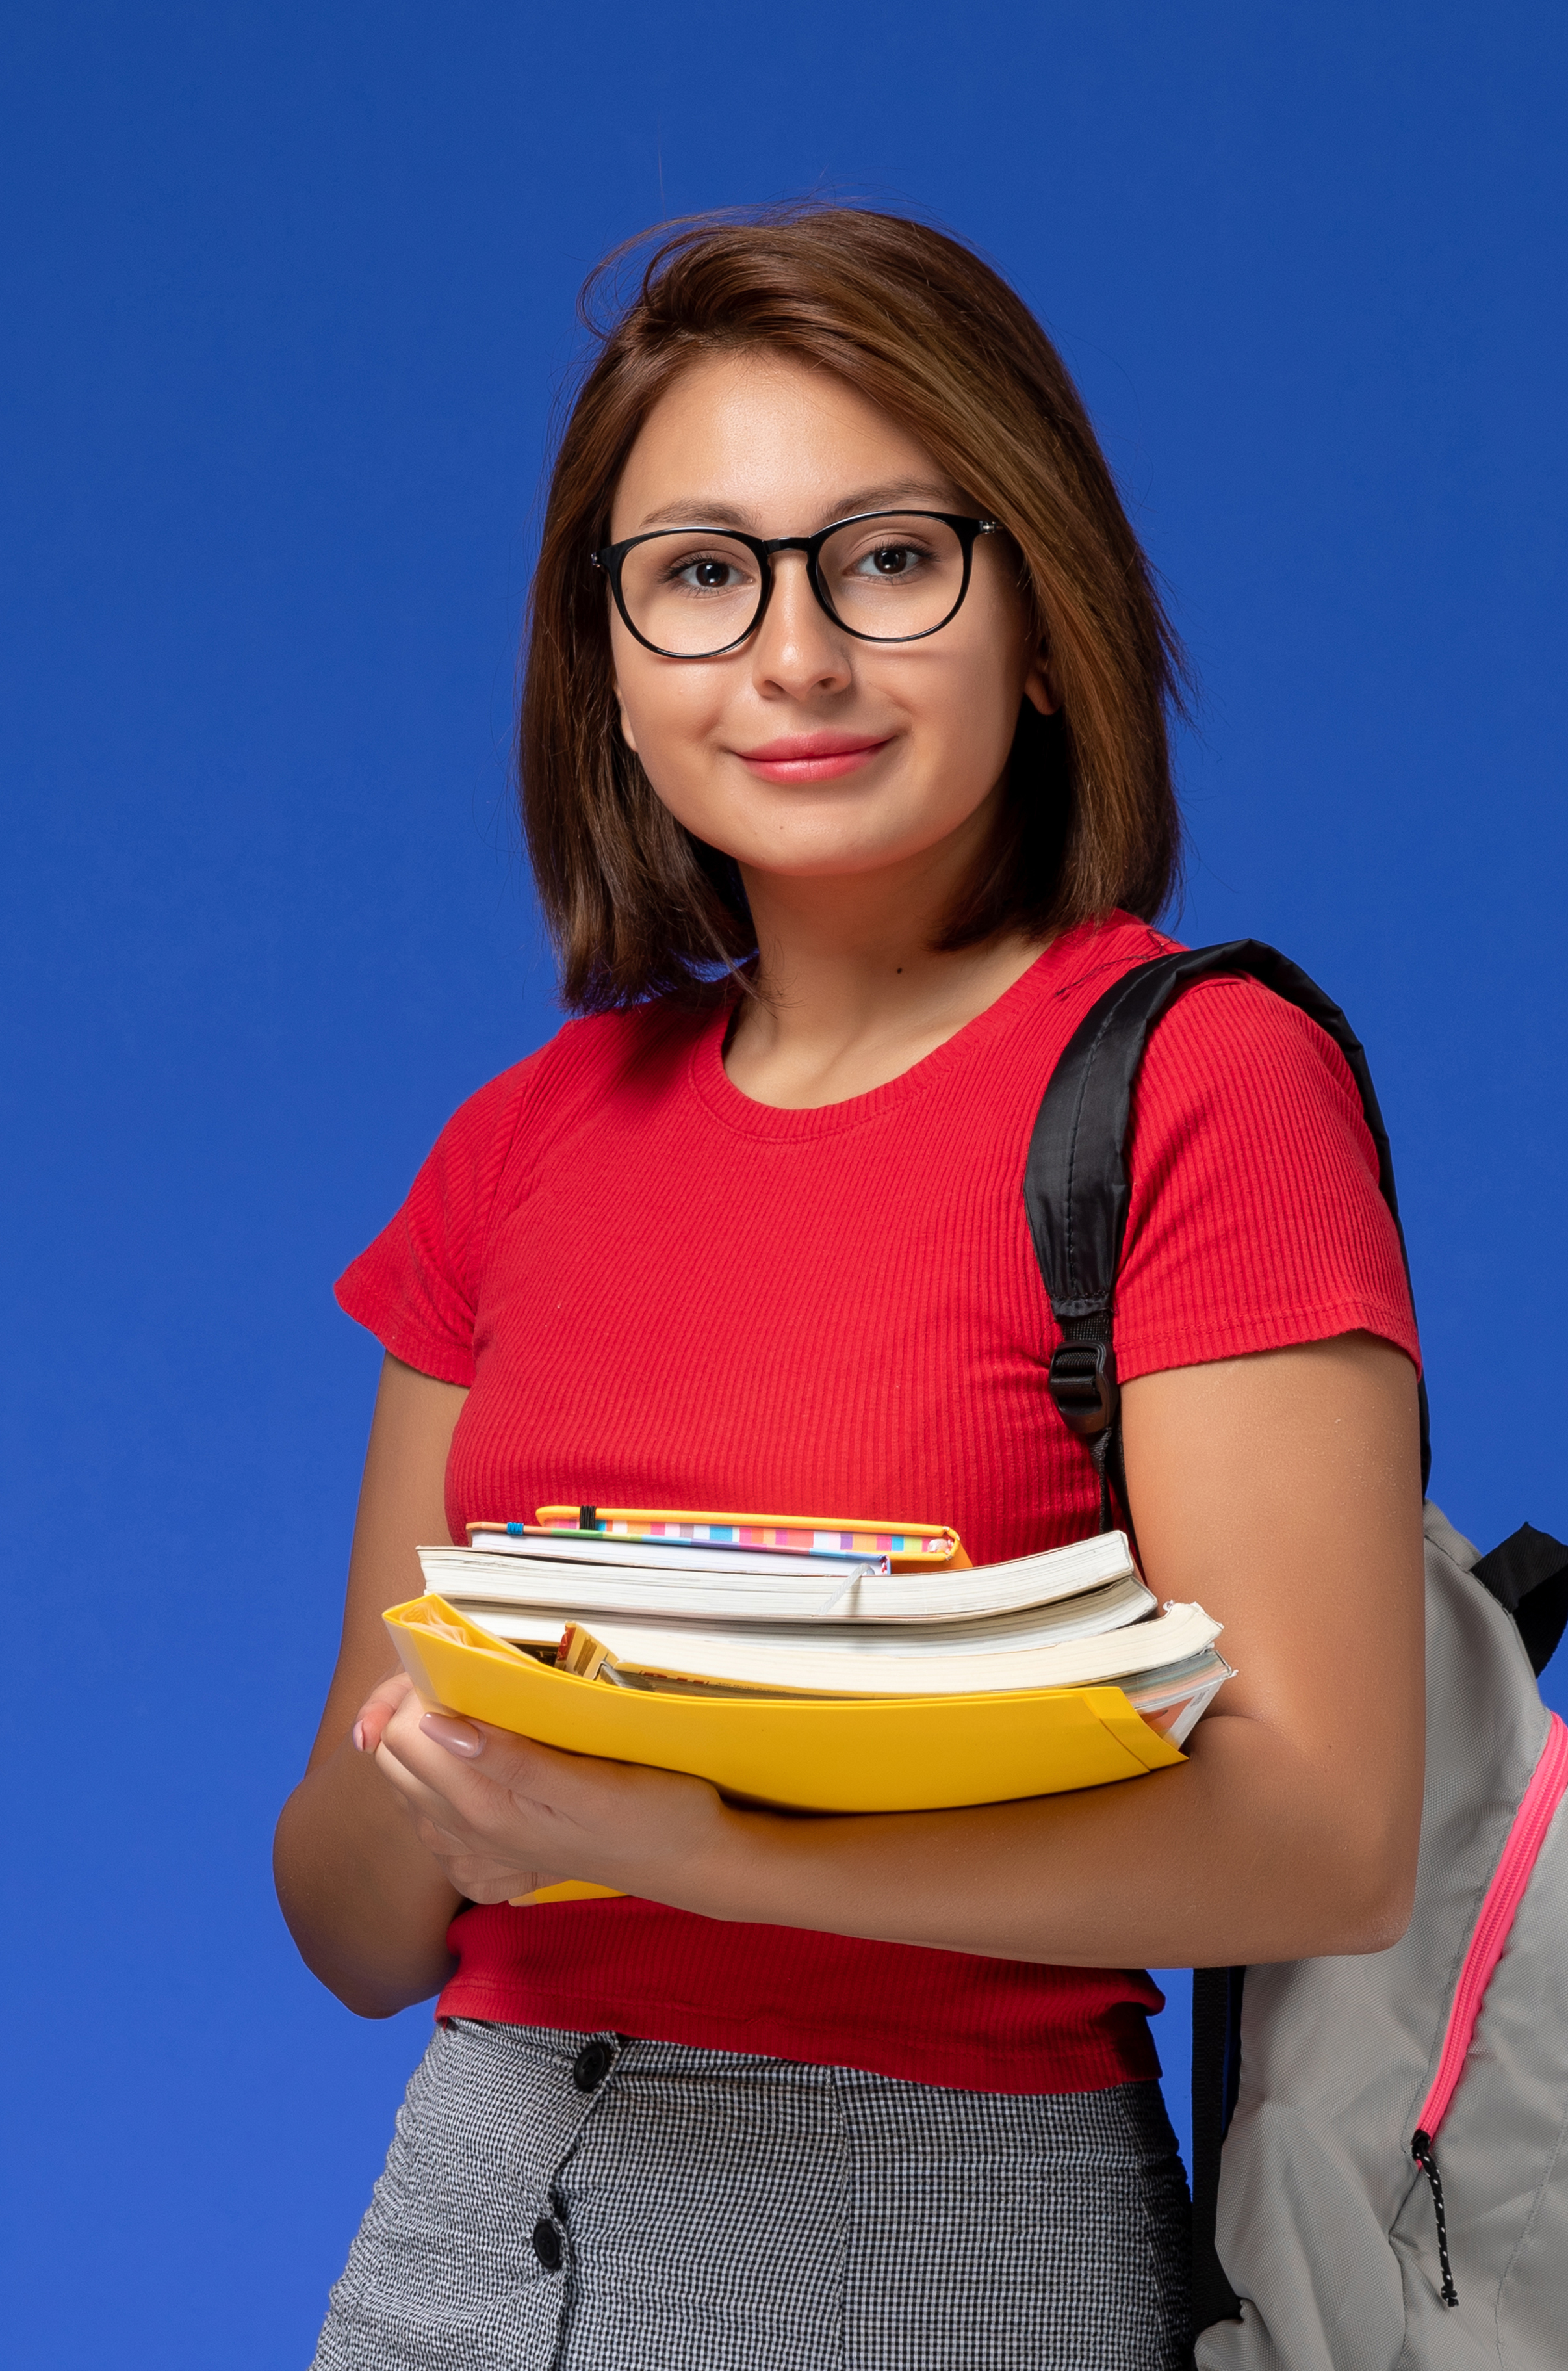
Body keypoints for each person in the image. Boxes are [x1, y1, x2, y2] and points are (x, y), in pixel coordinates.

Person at [271, 208, 1428, 2371]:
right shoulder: (522, 1144)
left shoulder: (1202, 1081)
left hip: (933, 2229)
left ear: (1051, 624)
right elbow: (352, 1923)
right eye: (702, 576)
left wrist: (693, 1841)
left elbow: (1328, 1839)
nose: (790, 656)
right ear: (608, 666)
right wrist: (457, 1791)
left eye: (888, 561)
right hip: (464, 2222)